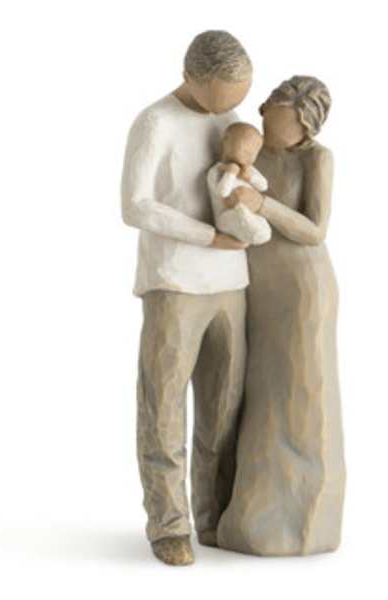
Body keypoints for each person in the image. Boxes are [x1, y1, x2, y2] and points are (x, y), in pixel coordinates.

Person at [120, 30, 252, 566]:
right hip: (174, 282)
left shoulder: (230, 120)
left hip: (231, 283)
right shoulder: (155, 123)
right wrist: (208, 237)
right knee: (164, 406)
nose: (231, 107)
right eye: (222, 94)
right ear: (191, 77)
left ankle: (215, 515)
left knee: (225, 408)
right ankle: (169, 523)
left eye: (239, 95)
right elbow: (135, 205)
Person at [217, 76, 347, 556]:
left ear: (306, 126)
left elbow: (315, 229)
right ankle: (247, 511)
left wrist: (263, 204)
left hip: (301, 290)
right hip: (255, 287)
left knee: (299, 395)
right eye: (271, 117)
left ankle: (298, 521)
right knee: (258, 393)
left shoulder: (317, 159)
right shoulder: (250, 148)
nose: (272, 129)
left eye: (285, 123)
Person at [208, 122, 271, 245]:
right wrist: (230, 173)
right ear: (226, 142)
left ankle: (259, 232)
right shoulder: (217, 171)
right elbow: (222, 193)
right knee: (240, 215)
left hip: (249, 213)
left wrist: (250, 177)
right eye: (246, 149)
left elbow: (264, 186)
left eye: (254, 152)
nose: (250, 155)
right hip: (225, 216)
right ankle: (254, 231)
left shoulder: (248, 169)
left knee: (260, 222)